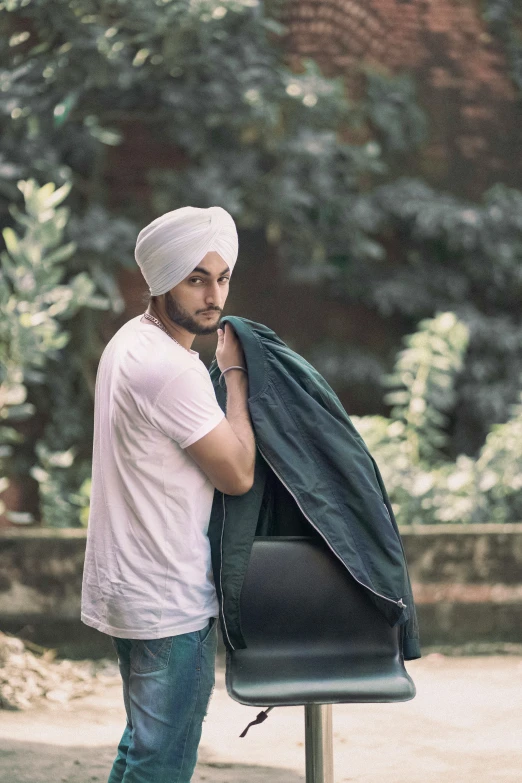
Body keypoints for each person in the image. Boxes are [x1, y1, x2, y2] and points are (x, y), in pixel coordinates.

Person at [81, 205, 256, 783]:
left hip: (134, 589)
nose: (214, 296)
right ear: (161, 281)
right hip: (167, 601)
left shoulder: (130, 341)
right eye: (196, 278)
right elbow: (237, 474)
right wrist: (233, 374)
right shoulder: (171, 368)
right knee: (160, 764)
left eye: (222, 277)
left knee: (142, 751)